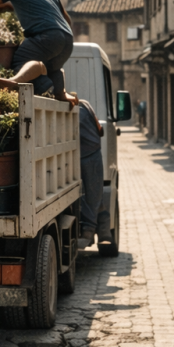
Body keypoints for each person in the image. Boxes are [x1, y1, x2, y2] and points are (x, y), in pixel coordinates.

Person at [77, 98, 104, 247]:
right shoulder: (85, 106)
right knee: (95, 193)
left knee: (92, 194)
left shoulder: (79, 109)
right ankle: (90, 229)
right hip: (92, 152)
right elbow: (101, 130)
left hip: (86, 154)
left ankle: (89, 229)